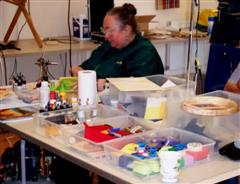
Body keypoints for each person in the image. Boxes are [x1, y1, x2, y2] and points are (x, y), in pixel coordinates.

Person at [71, 3, 164, 91]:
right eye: (104, 30)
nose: (106, 36)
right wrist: (80, 69)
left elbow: (139, 85)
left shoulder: (144, 51)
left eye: (110, 31)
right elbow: (91, 64)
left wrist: (106, 84)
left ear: (126, 30)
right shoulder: (109, 45)